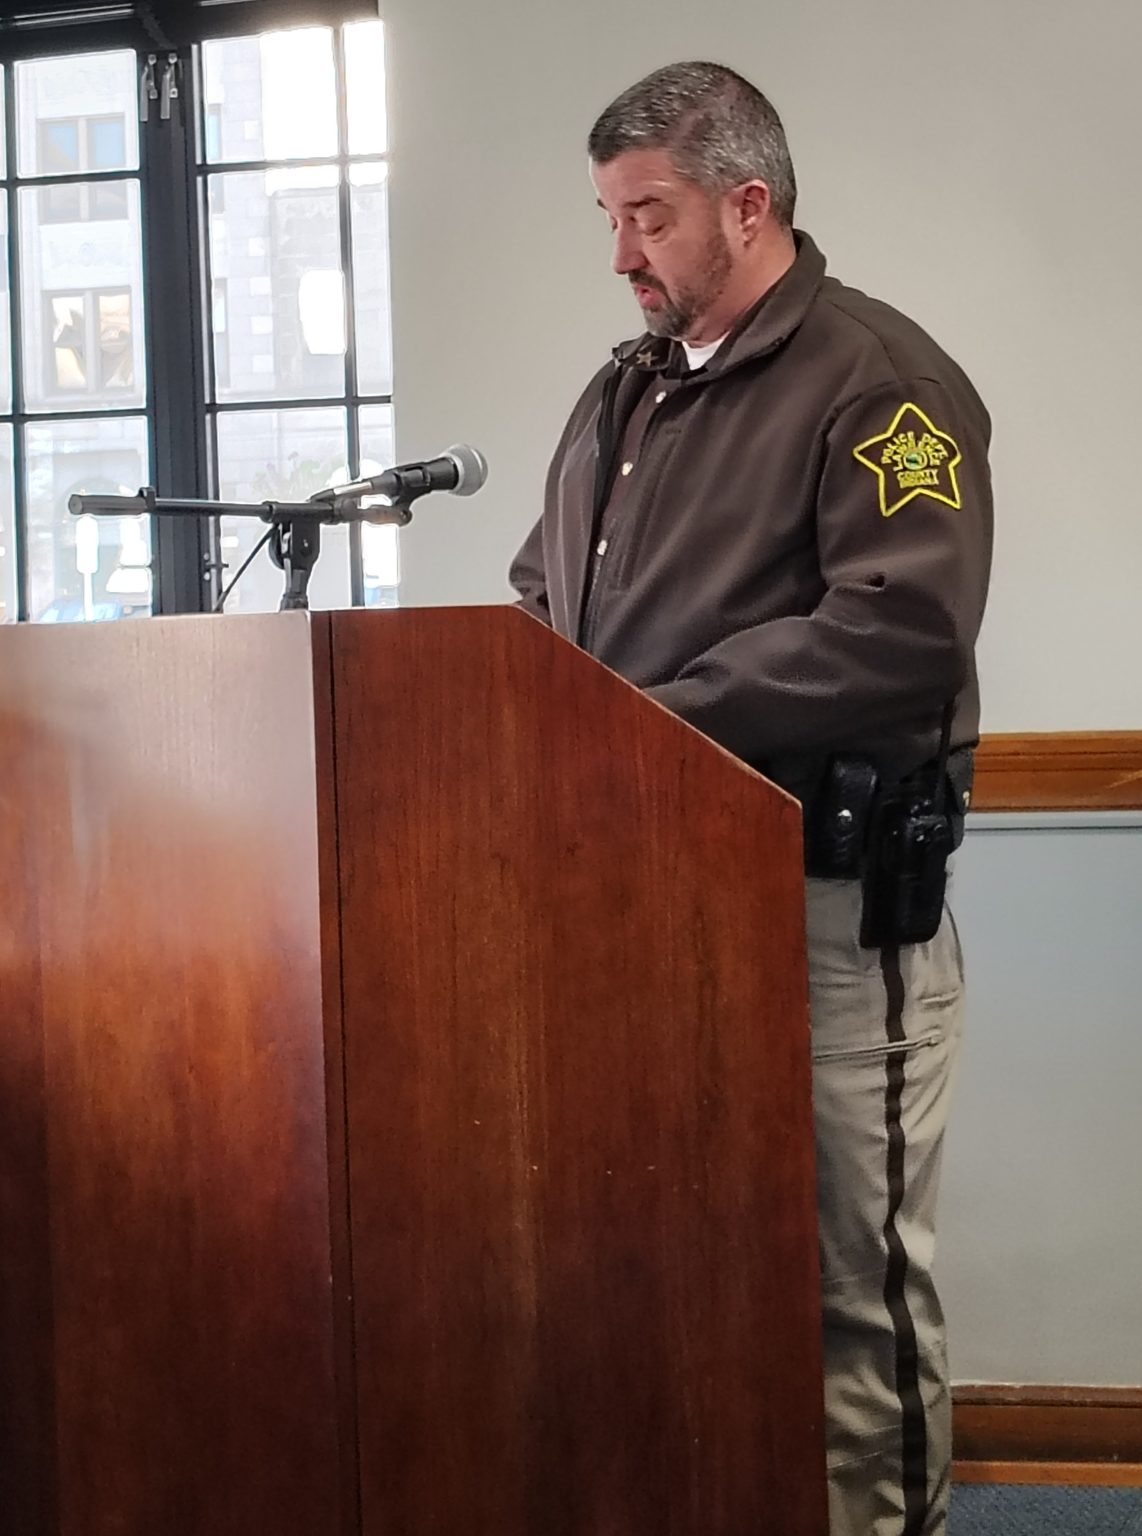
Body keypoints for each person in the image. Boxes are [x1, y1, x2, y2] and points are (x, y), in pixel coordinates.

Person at [509, 60, 993, 1536]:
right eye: (607, 218)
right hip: (646, 908)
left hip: (828, 914)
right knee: (679, 1272)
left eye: (647, 215)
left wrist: (642, 722)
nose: (620, 252)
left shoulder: (879, 381)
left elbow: (899, 629)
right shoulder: (626, 394)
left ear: (747, 203)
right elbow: (543, 598)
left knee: (851, 1289)